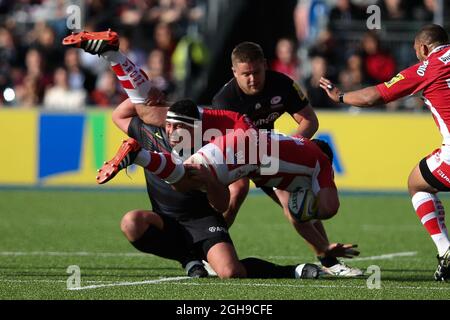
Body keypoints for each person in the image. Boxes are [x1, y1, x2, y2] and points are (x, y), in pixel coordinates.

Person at [62, 29, 325, 280]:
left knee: (231, 272)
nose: (174, 131)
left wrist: (210, 181)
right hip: (166, 219)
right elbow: (122, 114)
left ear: (197, 131)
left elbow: (222, 204)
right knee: (131, 222)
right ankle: (188, 258)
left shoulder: (211, 151)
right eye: (170, 125)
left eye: (181, 128)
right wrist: (147, 96)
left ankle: (296, 269)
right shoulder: (151, 132)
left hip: (201, 219)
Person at [211, 41, 362, 276]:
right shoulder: (225, 101)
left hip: (268, 151)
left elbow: (309, 121)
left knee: (296, 200)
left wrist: (290, 148)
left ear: (265, 65)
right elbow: (227, 147)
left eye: (256, 72)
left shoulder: (283, 84)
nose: (252, 79)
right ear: (234, 73)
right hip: (236, 154)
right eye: (245, 74)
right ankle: (208, 252)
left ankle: (329, 261)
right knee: (235, 195)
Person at [319, 24, 450, 281]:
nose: (416, 55)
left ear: (423, 48)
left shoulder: (427, 68)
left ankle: (445, 249)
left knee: (417, 185)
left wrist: (341, 96)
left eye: (416, 51)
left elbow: (374, 96)